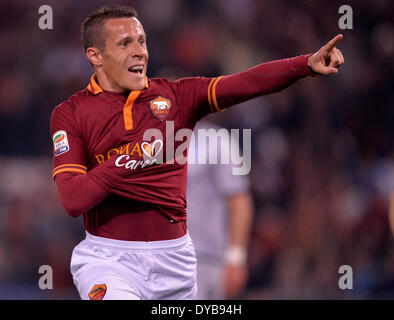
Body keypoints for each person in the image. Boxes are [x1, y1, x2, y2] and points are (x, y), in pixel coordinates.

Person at [50, 5, 344, 300]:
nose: (139, 51)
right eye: (125, 43)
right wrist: (135, 156)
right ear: (95, 56)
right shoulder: (71, 114)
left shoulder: (178, 97)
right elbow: (74, 199)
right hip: (109, 260)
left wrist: (305, 64)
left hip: (176, 262)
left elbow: (248, 83)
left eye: (141, 41)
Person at [187, 120, 254, 299]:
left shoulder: (217, 140)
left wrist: (236, 259)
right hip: (154, 258)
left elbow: (239, 200)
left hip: (203, 261)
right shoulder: (147, 137)